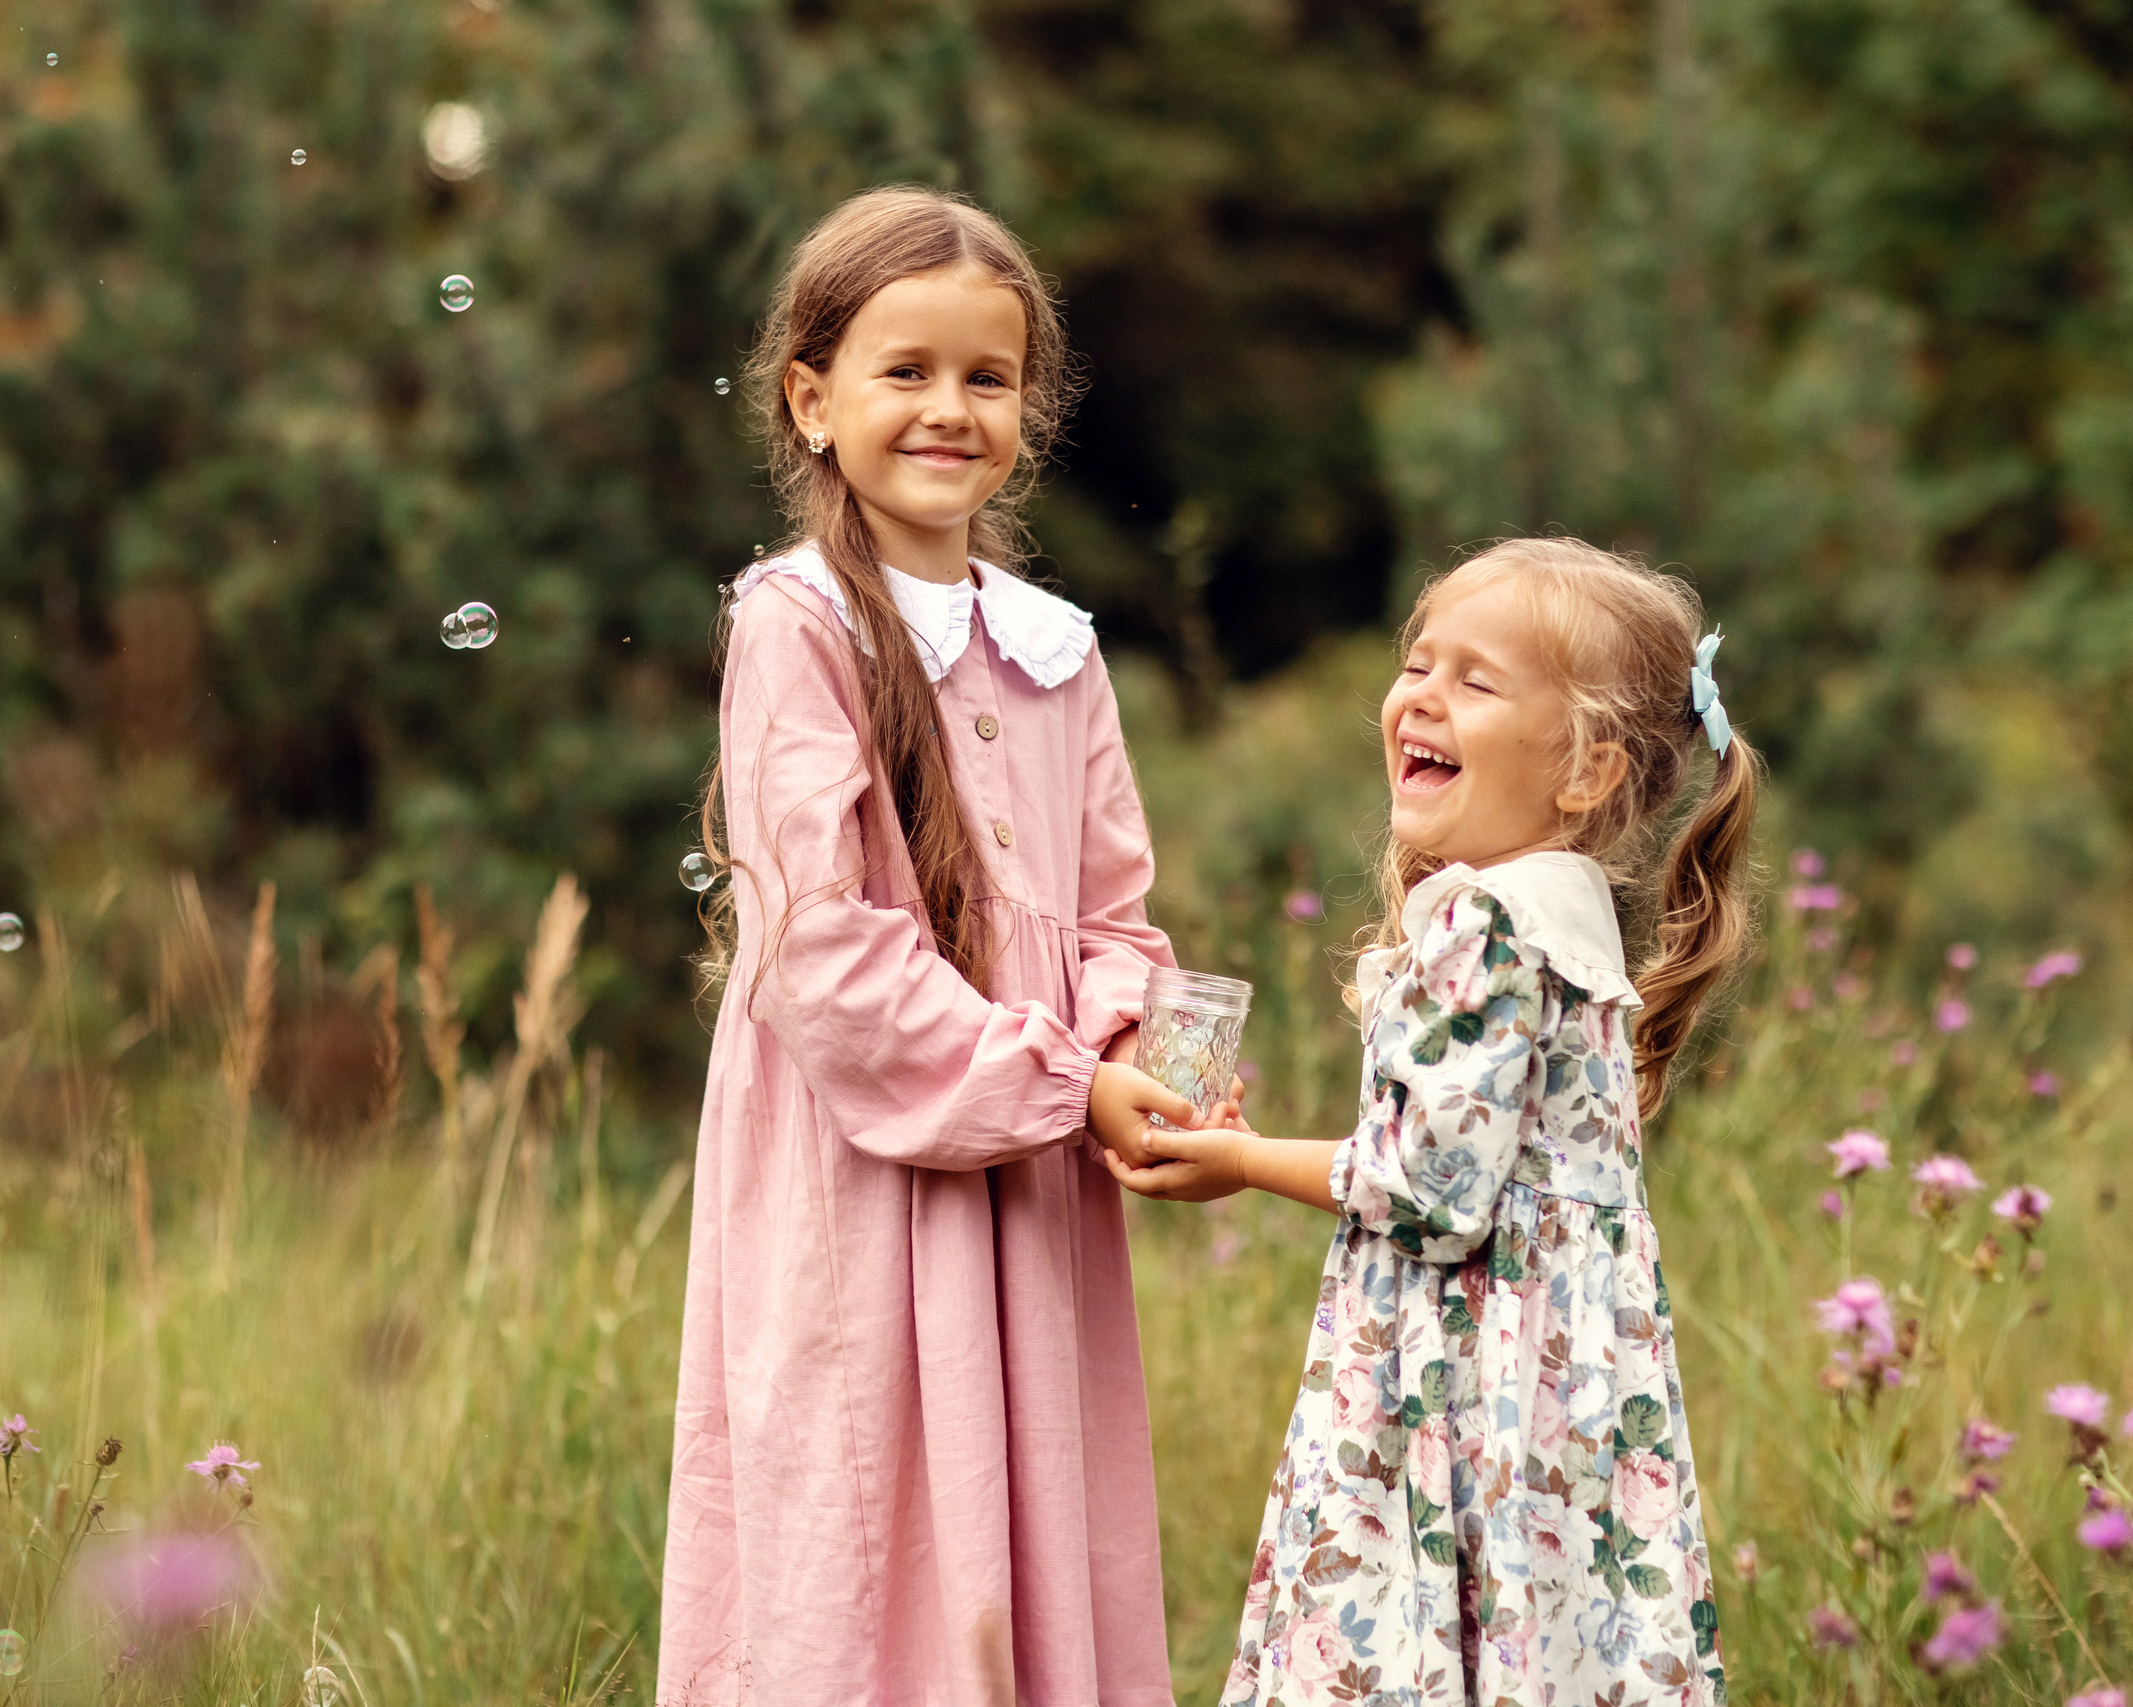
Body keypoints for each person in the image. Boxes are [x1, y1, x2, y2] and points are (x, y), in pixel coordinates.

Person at [658, 186, 1192, 1706]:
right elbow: (823, 949)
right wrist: (1054, 1078)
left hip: (1033, 1170)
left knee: (1030, 1532)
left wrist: (1134, 1045)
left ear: (1032, 402)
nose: (950, 408)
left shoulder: (1057, 646)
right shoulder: (797, 619)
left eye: (988, 375)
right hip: (867, 1167)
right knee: (870, 1520)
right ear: (812, 399)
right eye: (906, 371)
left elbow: (1111, 914)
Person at [1105, 538, 1752, 1705]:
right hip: (1563, 1401)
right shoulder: (1570, 913)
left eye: (1476, 680)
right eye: (1417, 664)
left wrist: (1240, 1160)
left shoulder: (1489, 923)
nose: (1421, 697)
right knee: (1539, 1648)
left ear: (1586, 772)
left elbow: (1430, 1191)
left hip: (1464, 1383)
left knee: (1412, 1639)